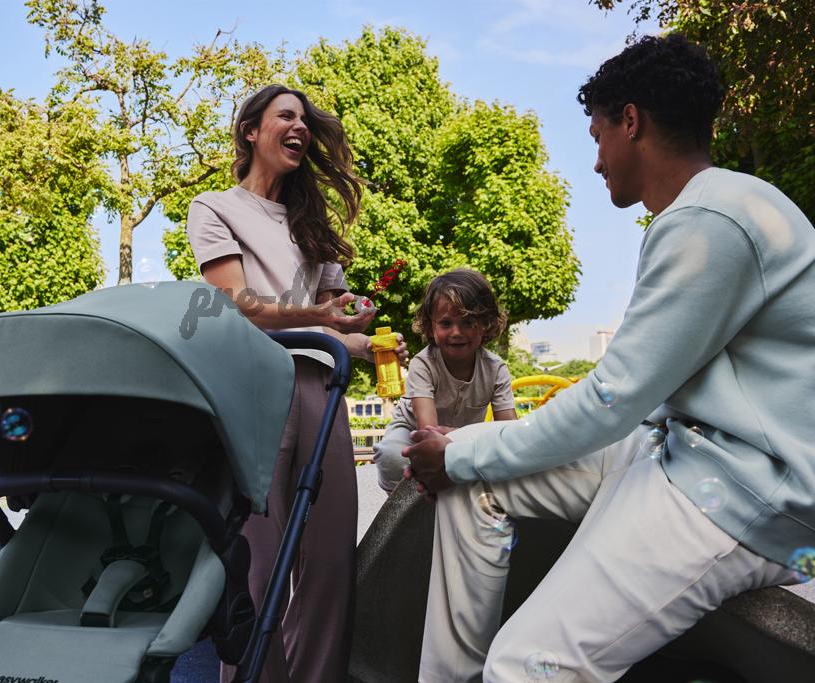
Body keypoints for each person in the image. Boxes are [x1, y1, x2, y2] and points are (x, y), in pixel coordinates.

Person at [403, 34, 815, 682]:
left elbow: (610, 400)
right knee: (470, 478)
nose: (596, 162)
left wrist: (454, 454)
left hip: (744, 491)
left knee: (524, 664)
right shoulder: (710, 211)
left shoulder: (712, 220)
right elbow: (629, 393)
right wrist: (461, 454)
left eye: (597, 138)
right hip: (682, 449)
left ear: (631, 121)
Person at [186, 84, 406, 683]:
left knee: (330, 559)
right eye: (286, 115)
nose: (300, 127)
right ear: (251, 130)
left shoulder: (313, 223)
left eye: (306, 120)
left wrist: (364, 337)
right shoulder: (214, 208)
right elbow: (237, 304)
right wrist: (318, 316)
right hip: (254, 385)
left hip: (322, 387)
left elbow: (335, 319)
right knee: (259, 561)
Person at [373, 268, 517, 494]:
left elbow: (508, 430)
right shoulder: (424, 364)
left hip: (464, 438)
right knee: (392, 455)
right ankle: (402, 504)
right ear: (431, 327)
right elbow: (427, 431)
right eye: (446, 323)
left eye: (468, 322)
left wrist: (466, 440)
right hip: (413, 432)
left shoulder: (495, 369)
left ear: (486, 323)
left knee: (503, 459)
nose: (456, 332)